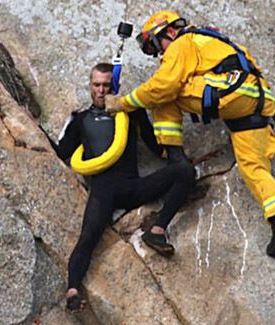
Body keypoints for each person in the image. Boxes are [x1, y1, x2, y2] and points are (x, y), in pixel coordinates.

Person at [105, 10, 275, 258]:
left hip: (230, 92)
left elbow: (164, 85)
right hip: (255, 103)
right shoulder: (211, 41)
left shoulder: (183, 42)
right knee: (255, 169)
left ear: (170, 31)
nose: (159, 53)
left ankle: (175, 160)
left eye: (156, 44)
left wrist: (123, 103)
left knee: (164, 92)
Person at [54, 63, 195, 313]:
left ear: (113, 87)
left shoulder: (131, 113)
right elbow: (61, 152)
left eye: (106, 85)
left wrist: (177, 154)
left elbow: (154, 144)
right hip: (103, 191)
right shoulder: (81, 120)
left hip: (133, 187)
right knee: (87, 238)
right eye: (96, 85)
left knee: (184, 170)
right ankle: (73, 291)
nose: (100, 90)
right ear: (90, 86)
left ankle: (158, 229)